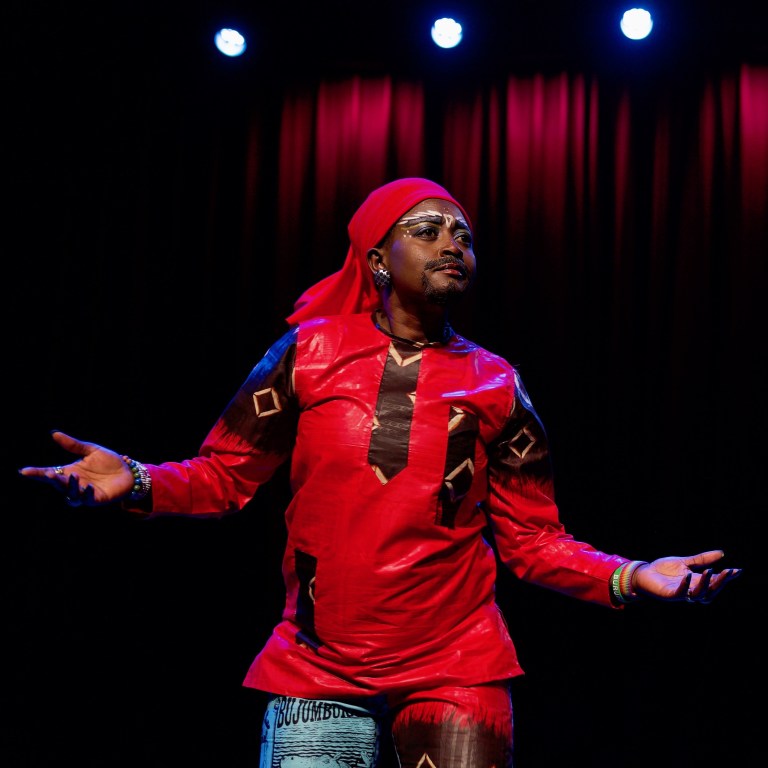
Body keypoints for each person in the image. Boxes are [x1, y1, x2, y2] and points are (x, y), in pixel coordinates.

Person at [19, 177, 742, 768]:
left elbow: (533, 541)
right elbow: (225, 478)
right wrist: (138, 478)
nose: (453, 244)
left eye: (463, 235)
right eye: (427, 230)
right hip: (318, 662)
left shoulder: (497, 384)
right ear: (376, 260)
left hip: (457, 661)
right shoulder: (309, 352)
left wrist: (632, 574)